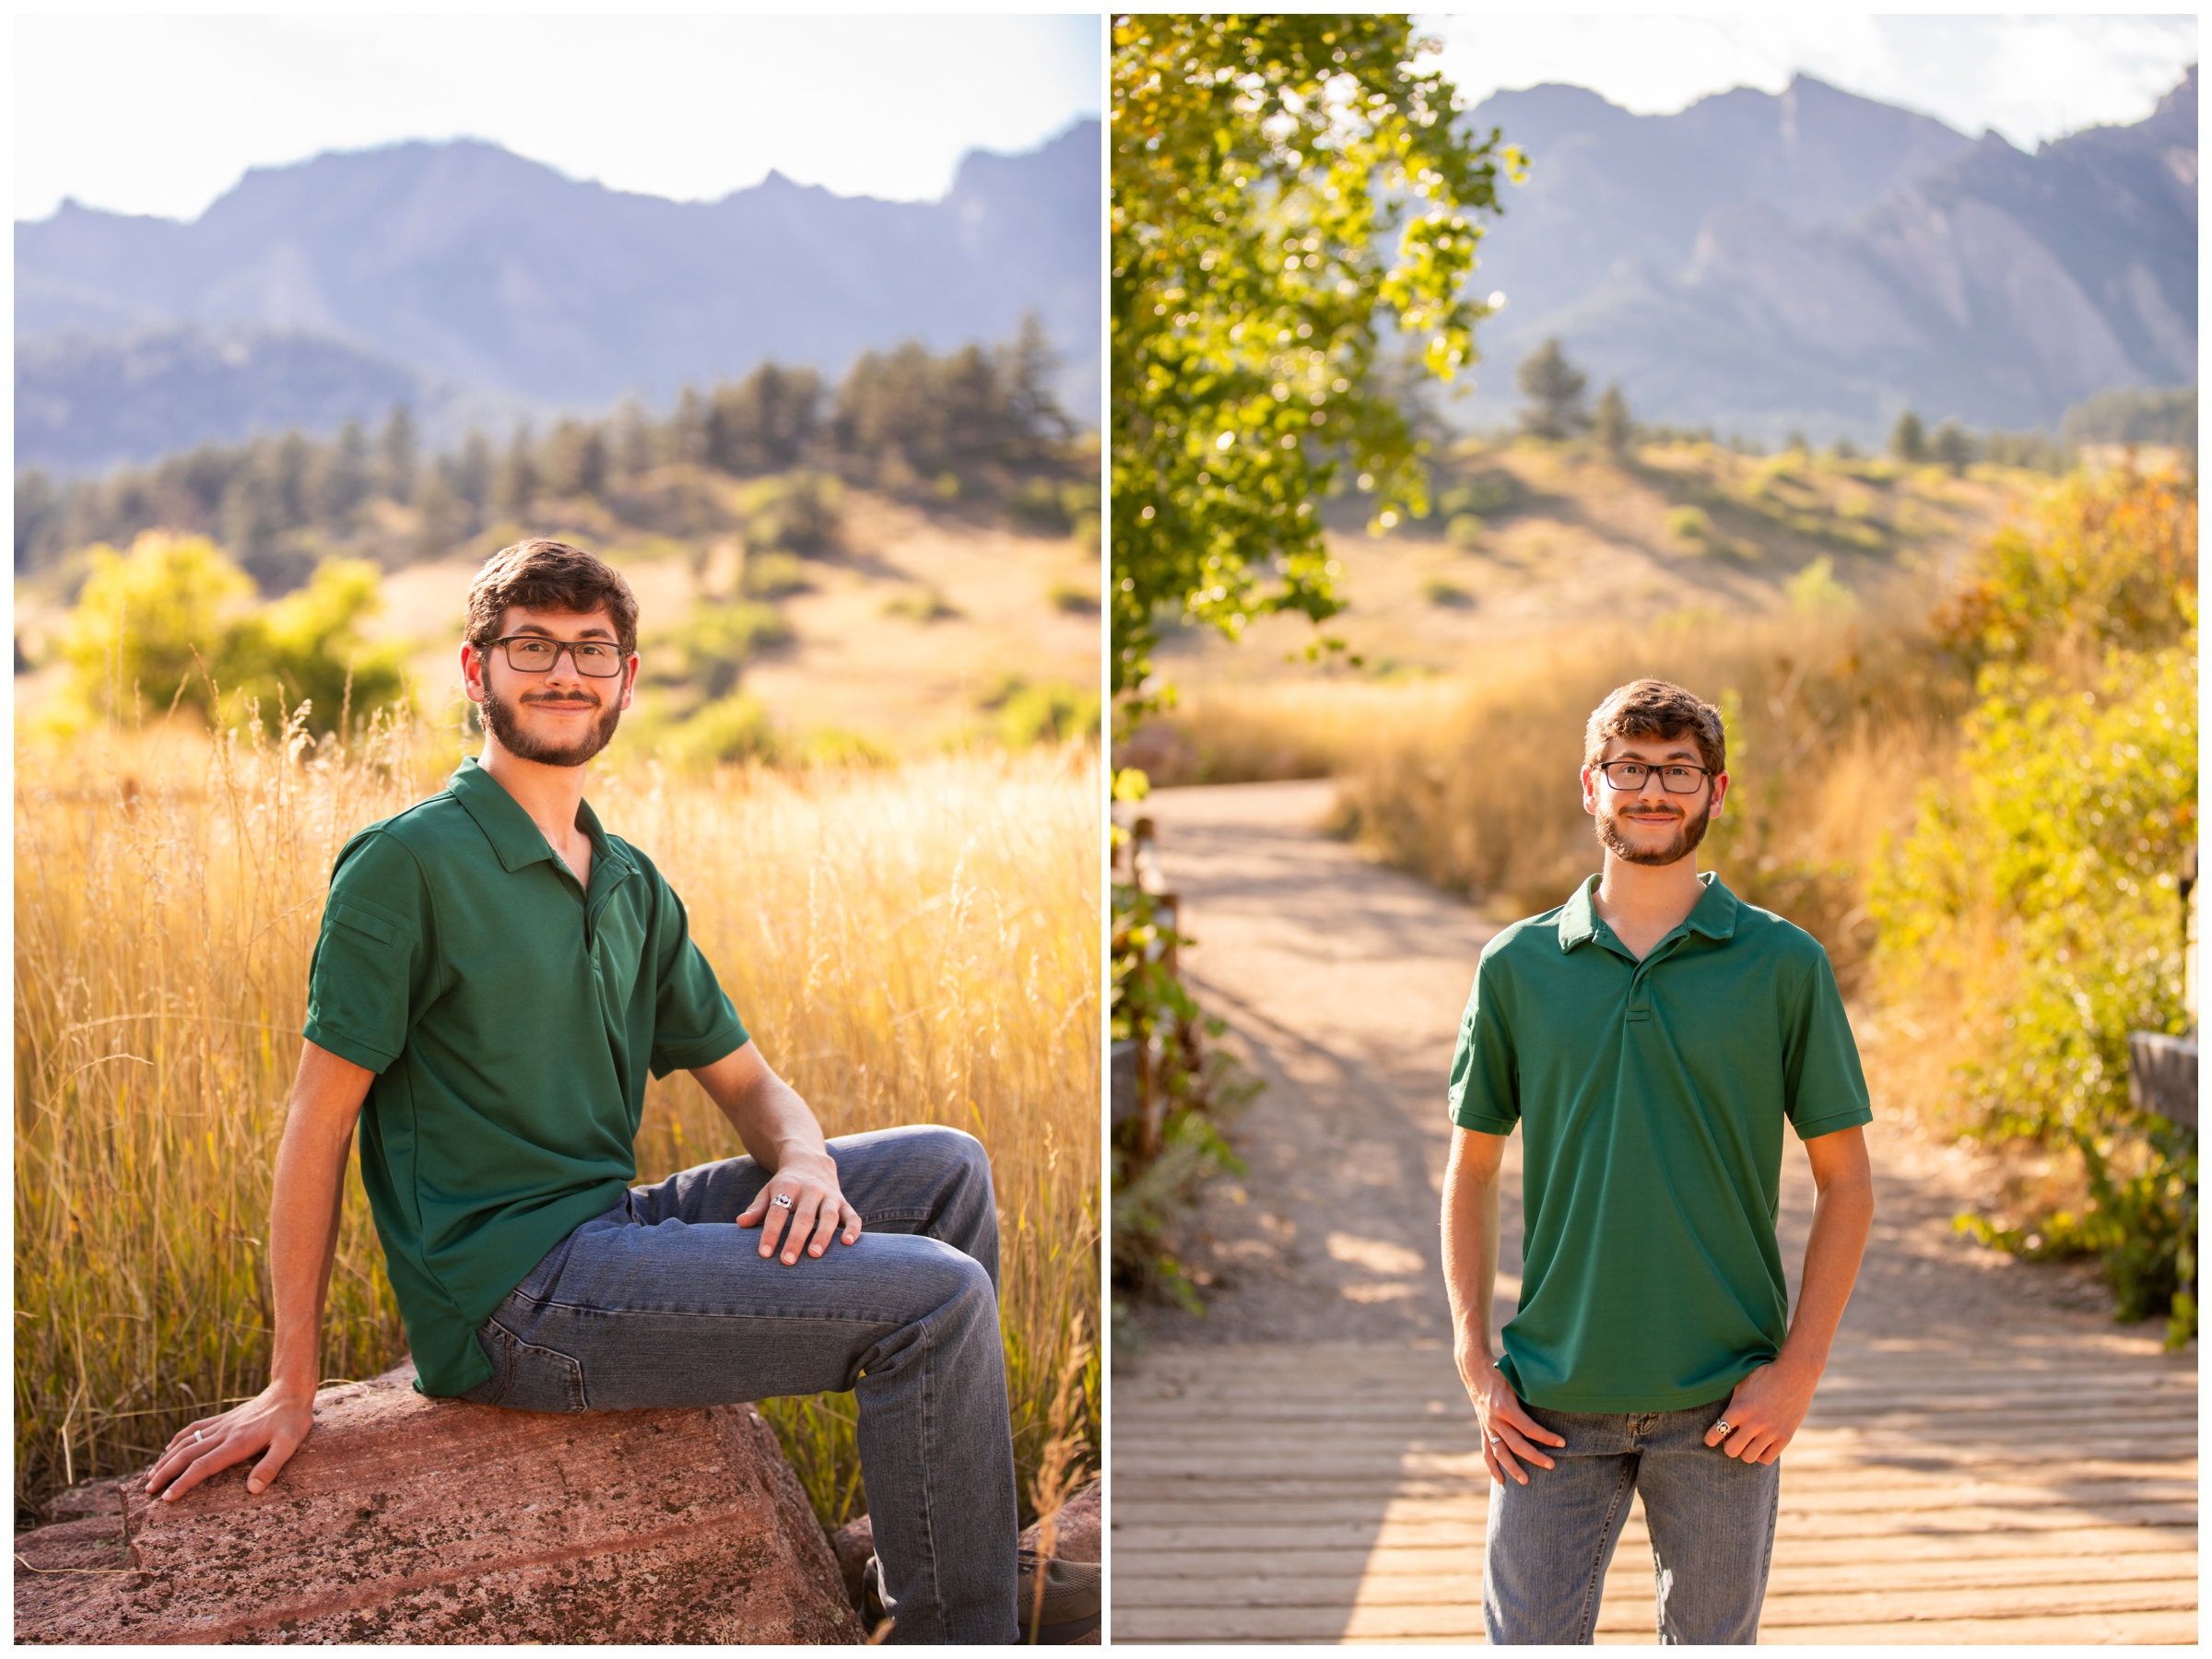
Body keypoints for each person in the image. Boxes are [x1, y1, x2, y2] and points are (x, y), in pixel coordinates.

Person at [142, 538, 1020, 1644]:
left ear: (626, 678)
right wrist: (291, 1384)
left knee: (946, 1172)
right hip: (513, 1296)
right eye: (532, 648)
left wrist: (803, 1159)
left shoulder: (630, 881)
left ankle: (938, 1558)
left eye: (590, 651)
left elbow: (752, 1083)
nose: (564, 673)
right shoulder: (406, 864)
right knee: (936, 1299)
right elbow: (317, 1125)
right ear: (477, 671)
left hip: (610, 1230)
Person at [1440, 678, 1875, 1645]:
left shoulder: (1784, 965)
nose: (1652, 790)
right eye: (1629, 767)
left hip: (1727, 1402)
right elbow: (1470, 1172)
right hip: (1549, 1401)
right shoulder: (1515, 967)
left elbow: (1847, 1183)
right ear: (1589, 785)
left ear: (1716, 792)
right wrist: (1474, 1363)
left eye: (1679, 770)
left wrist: (1799, 1370)